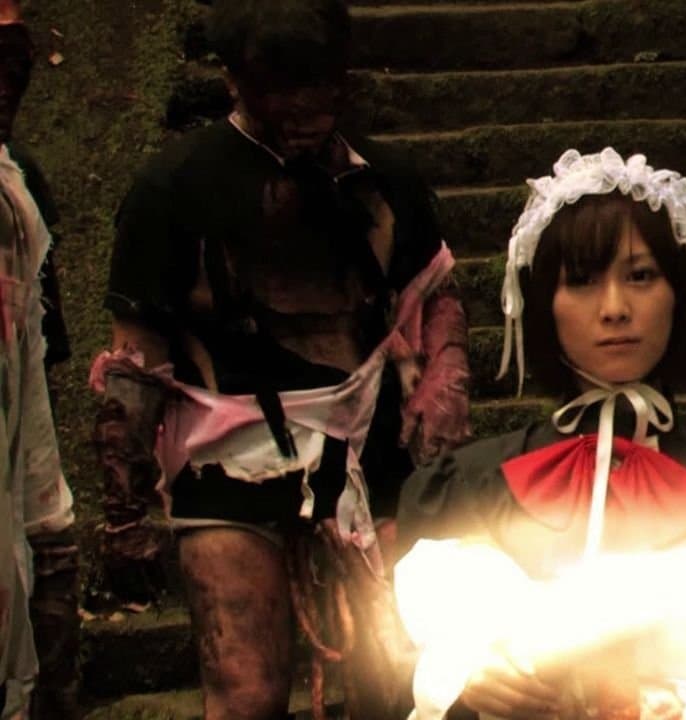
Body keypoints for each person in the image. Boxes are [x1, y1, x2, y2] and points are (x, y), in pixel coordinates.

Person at [91, 0, 470, 717]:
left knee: (400, 680)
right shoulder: (173, 189)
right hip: (227, 460)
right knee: (246, 689)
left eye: (318, 81)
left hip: (370, 450)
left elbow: (436, 298)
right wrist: (123, 510)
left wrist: (442, 392)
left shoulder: (385, 181)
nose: (303, 106)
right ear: (234, 80)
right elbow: (136, 357)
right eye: (280, 84)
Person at [397, 148, 686, 720]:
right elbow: (404, 648)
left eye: (640, 276)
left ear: (681, 292)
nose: (614, 308)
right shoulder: (467, 487)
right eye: (582, 281)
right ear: (544, 303)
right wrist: (461, 672)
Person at [0, 2, 79, 718]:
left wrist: (46, 522)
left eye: (14, 62)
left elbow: (34, 361)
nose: (6, 85)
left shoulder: (17, 185)